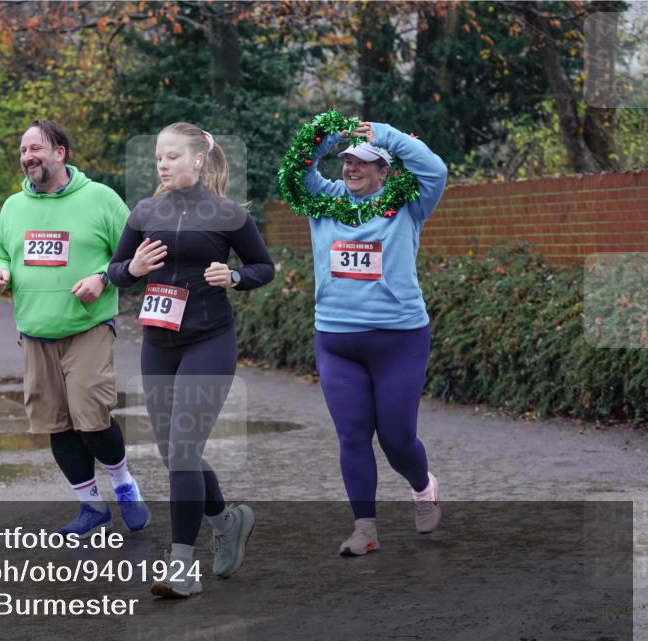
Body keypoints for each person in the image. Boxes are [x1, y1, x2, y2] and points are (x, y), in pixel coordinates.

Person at [108, 123, 275, 598]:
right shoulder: (145, 211)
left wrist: (235, 276)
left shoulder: (226, 214)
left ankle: (181, 566)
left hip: (209, 340)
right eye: (159, 156)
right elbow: (118, 271)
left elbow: (263, 267)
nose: (163, 163)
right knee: (173, 452)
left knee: (182, 450)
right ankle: (226, 522)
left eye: (173, 156)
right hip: (158, 343)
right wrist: (133, 269)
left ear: (198, 160)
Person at [0, 120, 150, 536]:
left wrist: (102, 277)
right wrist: (0, 271)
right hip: (35, 332)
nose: (27, 157)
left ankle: (123, 484)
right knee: (55, 423)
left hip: (87, 328)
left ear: (60, 152)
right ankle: (91, 507)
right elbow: (1, 253)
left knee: (91, 416)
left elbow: (133, 254)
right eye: (23, 150)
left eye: (36, 148)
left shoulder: (100, 199)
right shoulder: (12, 207)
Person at [302, 119, 448, 555]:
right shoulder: (324, 201)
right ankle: (364, 529)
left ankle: (422, 487)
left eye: (363, 161)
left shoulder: (407, 203)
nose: (351, 167)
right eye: (347, 160)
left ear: (385, 170)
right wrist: (331, 135)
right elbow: (300, 171)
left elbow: (435, 170)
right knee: (351, 435)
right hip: (336, 339)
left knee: (396, 437)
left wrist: (380, 133)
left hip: (399, 338)